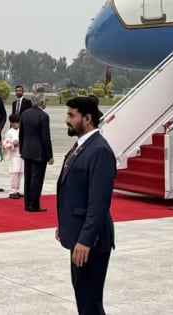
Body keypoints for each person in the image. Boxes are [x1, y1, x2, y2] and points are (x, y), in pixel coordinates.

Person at [56, 96, 116, 315]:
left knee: (90, 303)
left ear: (88, 119)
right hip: (79, 234)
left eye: (71, 115)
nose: (67, 120)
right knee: (84, 298)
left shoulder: (99, 151)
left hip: (91, 242)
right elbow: (74, 191)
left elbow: (99, 203)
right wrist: (64, 224)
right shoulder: (82, 145)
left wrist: (85, 240)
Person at [20, 93, 54, 212]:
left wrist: (21, 150)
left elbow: (21, 134)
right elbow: (45, 137)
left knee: (28, 177)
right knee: (37, 179)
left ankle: (27, 203)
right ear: (41, 102)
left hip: (27, 150)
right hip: (39, 152)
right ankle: (34, 204)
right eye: (45, 101)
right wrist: (49, 155)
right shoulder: (43, 116)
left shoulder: (25, 113)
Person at [2, 114, 23, 199]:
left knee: (20, 173)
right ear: (11, 123)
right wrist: (13, 144)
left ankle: (18, 190)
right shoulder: (9, 132)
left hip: (21, 154)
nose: (18, 124)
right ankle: (12, 191)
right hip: (14, 155)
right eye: (16, 123)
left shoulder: (21, 131)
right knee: (14, 173)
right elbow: (5, 145)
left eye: (18, 122)